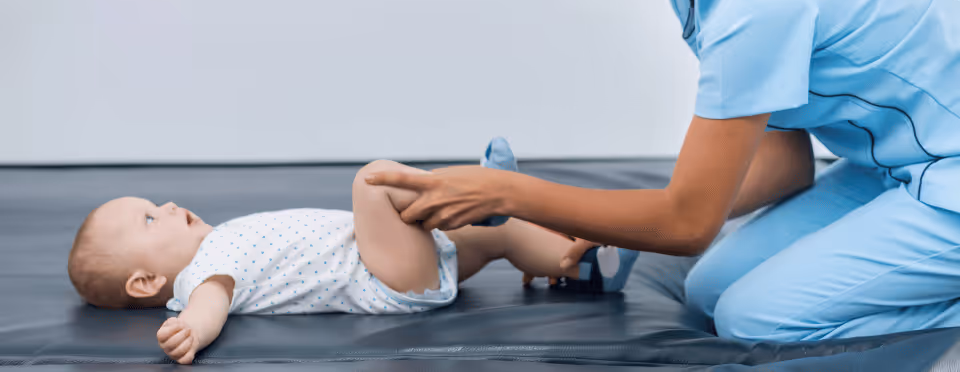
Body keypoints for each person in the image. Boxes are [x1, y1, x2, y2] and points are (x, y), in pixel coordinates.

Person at [365, 0, 960, 342]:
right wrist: (599, 222)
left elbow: (688, 224)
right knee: (708, 290)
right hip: (898, 165)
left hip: (949, 175)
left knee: (759, 321)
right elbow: (784, 167)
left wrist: (508, 194)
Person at [66, 139, 638, 365]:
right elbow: (214, 300)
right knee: (374, 181)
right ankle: (474, 192)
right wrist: (192, 327)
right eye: (149, 217)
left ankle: (586, 266)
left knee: (500, 239)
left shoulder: (219, 240)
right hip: (383, 278)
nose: (166, 206)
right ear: (145, 283)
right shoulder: (202, 273)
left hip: (403, 259)